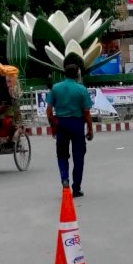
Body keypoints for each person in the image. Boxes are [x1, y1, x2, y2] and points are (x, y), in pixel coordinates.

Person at [46, 64, 94, 198]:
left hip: (61, 123)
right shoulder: (81, 89)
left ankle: (65, 179)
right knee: (78, 156)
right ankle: (76, 188)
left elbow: (49, 111)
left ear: (64, 74)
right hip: (77, 124)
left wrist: (53, 125)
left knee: (62, 154)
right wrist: (90, 129)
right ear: (77, 74)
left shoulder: (56, 88)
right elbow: (86, 112)